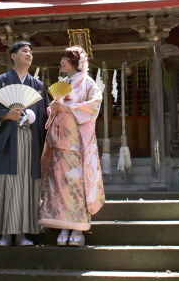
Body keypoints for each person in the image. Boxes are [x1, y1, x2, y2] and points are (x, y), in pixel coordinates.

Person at [39, 46, 105, 246]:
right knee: (59, 185)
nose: (61, 62)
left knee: (76, 184)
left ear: (75, 62)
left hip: (76, 143)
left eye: (65, 59)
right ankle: (63, 226)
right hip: (59, 142)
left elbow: (95, 104)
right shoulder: (64, 83)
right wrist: (54, 109)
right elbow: (55, 113)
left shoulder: (87, 82)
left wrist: (68, 108)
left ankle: (77, 228)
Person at [0, 41, 49, 246]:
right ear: (13, 56)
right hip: (8, 140)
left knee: (26, 183)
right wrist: (6, 115)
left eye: (31, 52)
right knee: (6, 182)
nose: (29, 54)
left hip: (30, 139)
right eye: (24, 51)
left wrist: (37, 116)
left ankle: (23, 234)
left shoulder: (38, 85)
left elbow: (45, 115)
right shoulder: (0, 81)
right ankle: (4, 234)